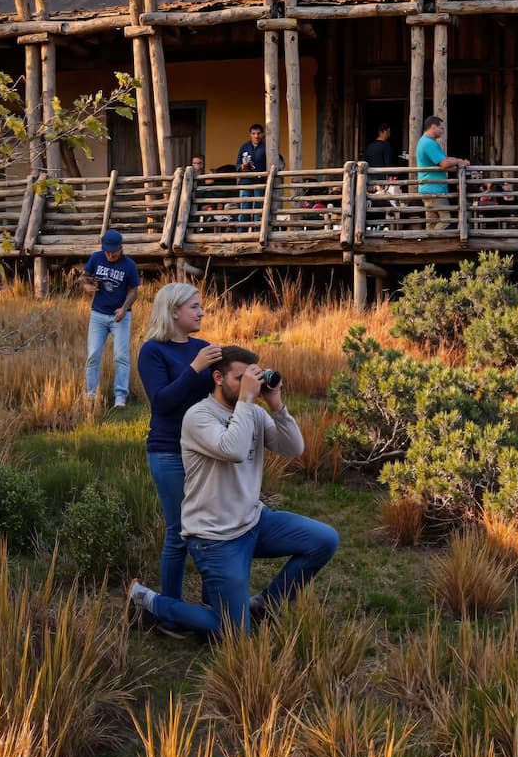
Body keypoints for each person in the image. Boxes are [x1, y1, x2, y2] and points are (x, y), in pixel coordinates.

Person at [128, 346, 338, 638]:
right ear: (217, 377)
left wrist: (276, 404)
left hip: (253, 522)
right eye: (240, 378)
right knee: (236, 633)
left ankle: (265, 604)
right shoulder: (198, 416)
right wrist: (248, 400)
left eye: (252, 377)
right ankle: (147, 601)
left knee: (324, 540)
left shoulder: (251, 412)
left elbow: (294, 449)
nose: (248, 385)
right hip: (215, 538)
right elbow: (235, 449)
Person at [136, 282, 218, 609]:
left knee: (210, 529)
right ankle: (170, 608)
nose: (202, 311)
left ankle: (214, 603)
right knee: (180, 532)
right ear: (173, 312)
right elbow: (162, 401)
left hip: (204, 450)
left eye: (201, 306)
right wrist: (196, 367)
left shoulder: (203, 347)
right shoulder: (153, 351)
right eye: (194, 307)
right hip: (168, 450)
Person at [81, 229, 139, 408]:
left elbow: (133, 291)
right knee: (93, 355)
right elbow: (83, 276)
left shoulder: (129, 265)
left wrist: (124, 309)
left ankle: (120, 397)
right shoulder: (96, 258)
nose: (110, 255)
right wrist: (85, 285)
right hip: (97, 314)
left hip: (119, 316)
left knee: (121, 356)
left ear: (121, 248)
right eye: (107, 251)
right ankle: (90, 395)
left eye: (114, 252)